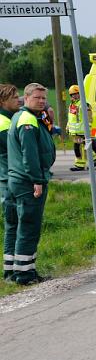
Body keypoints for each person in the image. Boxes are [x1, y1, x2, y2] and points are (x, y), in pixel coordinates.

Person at [6, 83, 56, 284]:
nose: (42, 101)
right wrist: (37, 180)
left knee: (20, 226)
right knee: (29, 227)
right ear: (26, 98)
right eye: (37, 97)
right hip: (28, 182)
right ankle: (25, 275)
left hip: (18, 180)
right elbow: (30, 154)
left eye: (44, 98)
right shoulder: (27, 120)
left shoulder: (25, 117)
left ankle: (13, 270)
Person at [0, 84, 21, 280]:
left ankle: (12, 268)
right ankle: (11, 271)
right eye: (14, 96)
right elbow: (15, 150)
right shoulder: (4, 123)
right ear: (3, 101)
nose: (19, 98)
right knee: (14, 224)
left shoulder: (6, 120)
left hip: (7, 178)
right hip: (9, 180)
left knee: (13, 224)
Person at [66, 84, 96, 171]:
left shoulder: (84, 103)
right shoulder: (73, 104)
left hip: (82, 130)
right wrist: (68, 126)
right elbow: (71, 117)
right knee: (81, 147)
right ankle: (90, 161)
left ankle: (86, 163)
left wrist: (88, 127)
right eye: (72, 94)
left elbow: (89, 117)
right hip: (76, 131)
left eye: (76, 93)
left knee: (80, 147)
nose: (74, 96)